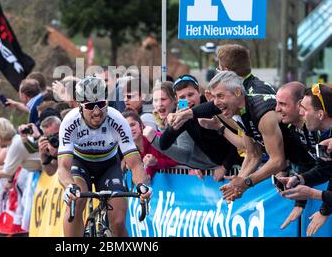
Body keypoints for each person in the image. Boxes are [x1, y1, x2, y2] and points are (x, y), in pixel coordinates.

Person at [57, 76, 151, 237]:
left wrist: (142, 186)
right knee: (76, 201)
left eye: (100, 104)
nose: (96, 112)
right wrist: (69, 186)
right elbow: (63, 167)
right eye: (90, 106)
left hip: (109, 165)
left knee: (119, 221)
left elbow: (135, 163)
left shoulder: (117, 119)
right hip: (80, 164)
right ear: (80, 106)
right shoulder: (70, 122)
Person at [204, 71, 314, 202]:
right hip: (306, 166)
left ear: (238, 92)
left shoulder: (261, 113)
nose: (215, 102)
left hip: (313, 164)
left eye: (220, 96)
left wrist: (246, 183)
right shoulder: (238, 113)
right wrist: (237, 183)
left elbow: (278, 161)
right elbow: (253, 155)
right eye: (214, 97)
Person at [158, 74, 243, 181]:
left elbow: (236, 138)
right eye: (182, 97)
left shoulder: (212, 105)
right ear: (176, 99)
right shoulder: (182, 115)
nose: (188, 100)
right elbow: (163, 144)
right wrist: (172, 128)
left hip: (241, 164)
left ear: (199, 92)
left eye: (191, 94)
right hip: (218, 167)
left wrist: (225, 167)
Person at [280, 83, 332, 236]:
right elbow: (325, 171)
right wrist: (299, 179)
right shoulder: (323, 135)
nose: (300, 113)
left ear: (320, 114)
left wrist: (315, 197)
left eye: (304, 109)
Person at [275, 82, 317, 229]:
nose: (277, 109)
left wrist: (324, 211)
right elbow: (306, 163)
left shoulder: (317, 125)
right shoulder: (290, 127)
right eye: (276, 103)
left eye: (283, 104)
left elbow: (324, 167)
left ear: (300, 105)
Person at [123, 110, 178, 179]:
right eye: (125, 127)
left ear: (141, 125)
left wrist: (156, 162)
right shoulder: (125, 148)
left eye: (132, 125)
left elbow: (179, 159)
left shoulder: (157, 138)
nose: (130, 129)